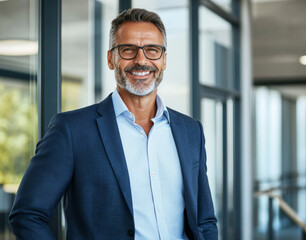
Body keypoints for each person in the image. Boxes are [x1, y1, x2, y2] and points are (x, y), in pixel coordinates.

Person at [9, 8, 218, 240]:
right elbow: (27, 215)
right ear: (111, 59)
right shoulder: (72, 130)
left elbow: (204, 220)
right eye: (128, 50)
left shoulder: (191, 131)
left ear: (164, 60)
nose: (141, 60)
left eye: (152, 50)